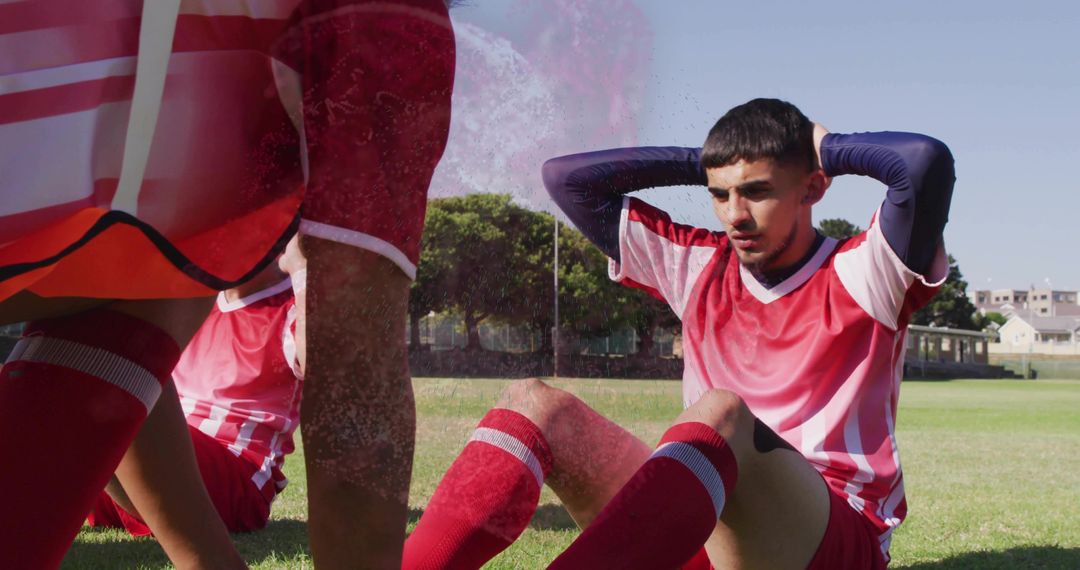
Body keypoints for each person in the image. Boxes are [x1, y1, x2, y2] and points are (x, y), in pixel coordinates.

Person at [403, 98, 954, 569]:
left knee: (723, 413)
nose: (734, 215)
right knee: (534, 404)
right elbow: (565, 179)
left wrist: (823, 146)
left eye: (757, 191)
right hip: (706, 523)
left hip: (828, 538)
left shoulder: (866, 272)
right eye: (719, 194)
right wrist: (711, 162)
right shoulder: (697, 263)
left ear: (812, 188)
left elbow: (921, 162)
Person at [0, 1, 455, 567]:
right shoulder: (369, 30)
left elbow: (332, 360)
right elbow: (356, 376)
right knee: (151, 275)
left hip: (225, 473)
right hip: (173, 453)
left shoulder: (260, 302)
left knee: (139, 282)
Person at [87, 259, 304, 537]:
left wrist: (304, 270)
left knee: (115, 398)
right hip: (162, 454)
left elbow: (324, 365)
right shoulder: (192, 298)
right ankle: (145, 505)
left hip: (236, 474)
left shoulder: (294, 306)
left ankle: (163, 512)